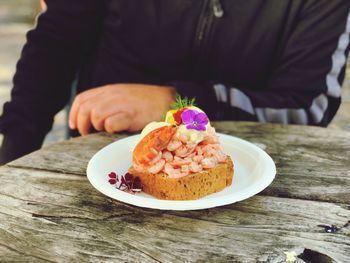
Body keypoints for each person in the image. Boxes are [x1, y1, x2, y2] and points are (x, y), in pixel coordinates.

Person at [0, 0, 349, 164]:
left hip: (247, 172)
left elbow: (307, 106)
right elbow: (56, 42)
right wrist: (15, 152)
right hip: (102, 154)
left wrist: (177, 104)